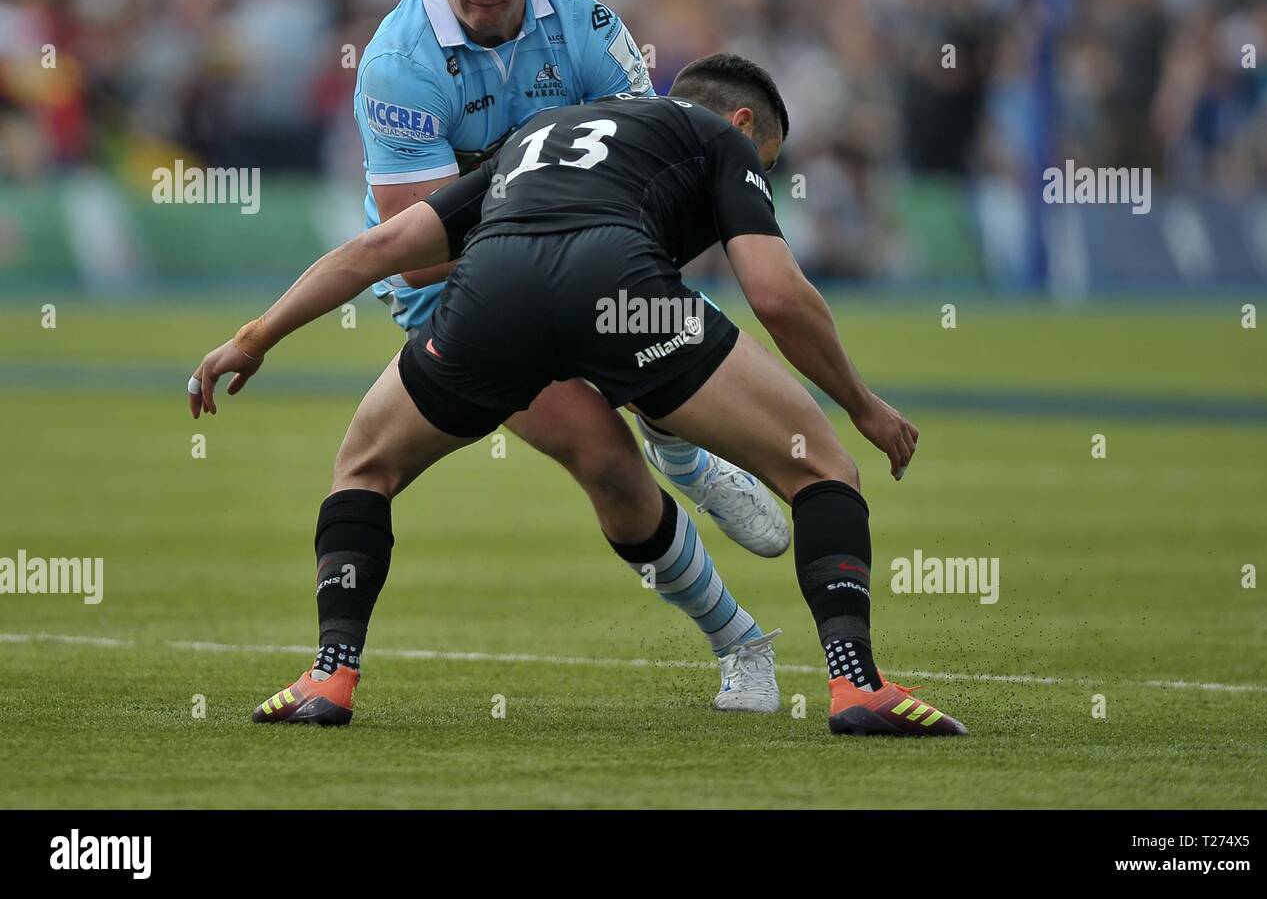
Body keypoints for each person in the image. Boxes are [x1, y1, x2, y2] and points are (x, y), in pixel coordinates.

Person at [189, 53, 967, 737]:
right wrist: (862, 404)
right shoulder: (720, 139)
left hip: (493, 292)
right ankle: (856, 685)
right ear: (740, 123)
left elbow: (380, 248)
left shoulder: (541, 133)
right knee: (823, 467)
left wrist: (258, 334)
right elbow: (776, 293)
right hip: (622, 289)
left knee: (363, 466)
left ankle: (329, 676)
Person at [351, 0, 785, 709]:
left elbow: (642, 188)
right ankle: (740, 640)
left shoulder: (588, 28)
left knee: (641, 323)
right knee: (604, 460)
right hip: (463, 285)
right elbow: (418, 249)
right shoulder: (398, 63)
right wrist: (537, 226)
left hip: (588, 253)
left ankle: (681, 444)